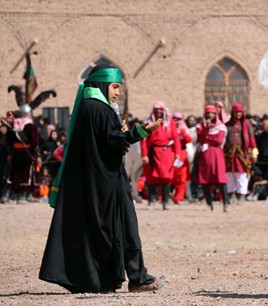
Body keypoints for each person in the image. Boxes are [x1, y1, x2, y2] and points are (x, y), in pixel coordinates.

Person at [39, 65, 166, 293]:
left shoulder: (89, 107)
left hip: (98, 180)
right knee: (127, 226)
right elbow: (114, 142)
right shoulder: (98, 109)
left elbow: (106, 139)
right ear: (103, 84)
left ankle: (104, 279)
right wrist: (142, 131)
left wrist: (119, 130)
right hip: (107, 181)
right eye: (115, 87)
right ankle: (138, 278)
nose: (117, 92)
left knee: (107, 228)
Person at [140, 101, 181, 210]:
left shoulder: (170, 122)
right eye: (157, 109)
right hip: (152, 152)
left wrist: (177, 153)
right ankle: (151, 201)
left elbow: (176, 138)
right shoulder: (148, 122)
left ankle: (165, 201)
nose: (159, 111)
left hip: (166, 153)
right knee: (152, 178)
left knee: (166, 178)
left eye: (161, 109)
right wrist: (144, 155)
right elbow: (143, 140)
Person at [196, 105, 230, 212]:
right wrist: (205, 130)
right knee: (205, 180)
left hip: (217, 154)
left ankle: (225, 204)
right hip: (205, 155)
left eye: (212, 113)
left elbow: (218, 141)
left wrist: (207, 138)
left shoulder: (221, 127)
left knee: (220, 179)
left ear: (216, 115)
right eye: (208, 113)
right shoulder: (202, 127)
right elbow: (200, 139)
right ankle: (209, 204)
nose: (209, 115)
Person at [224, 103, 258, 204]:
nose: (238, 114)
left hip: (242, 153)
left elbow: (252, 139)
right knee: (229, 174)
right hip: (229, 154)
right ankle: (230, 195)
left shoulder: (246, 124)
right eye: (236, 112)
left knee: (242, 174)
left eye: (240, 112)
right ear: (232, 112)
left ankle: (242, 195)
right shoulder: (227, 125)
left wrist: (254, 153)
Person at [171, 112, 193, 204]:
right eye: (174, 118)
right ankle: (163, 197)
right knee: (168, 176)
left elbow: (189, 139)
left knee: (182, 177)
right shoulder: (169, 128)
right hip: (171, 153)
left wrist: (182, 131)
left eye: (179, 119)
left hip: (182, 154)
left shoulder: (184, 128)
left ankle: (178, 197)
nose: (176, 121)